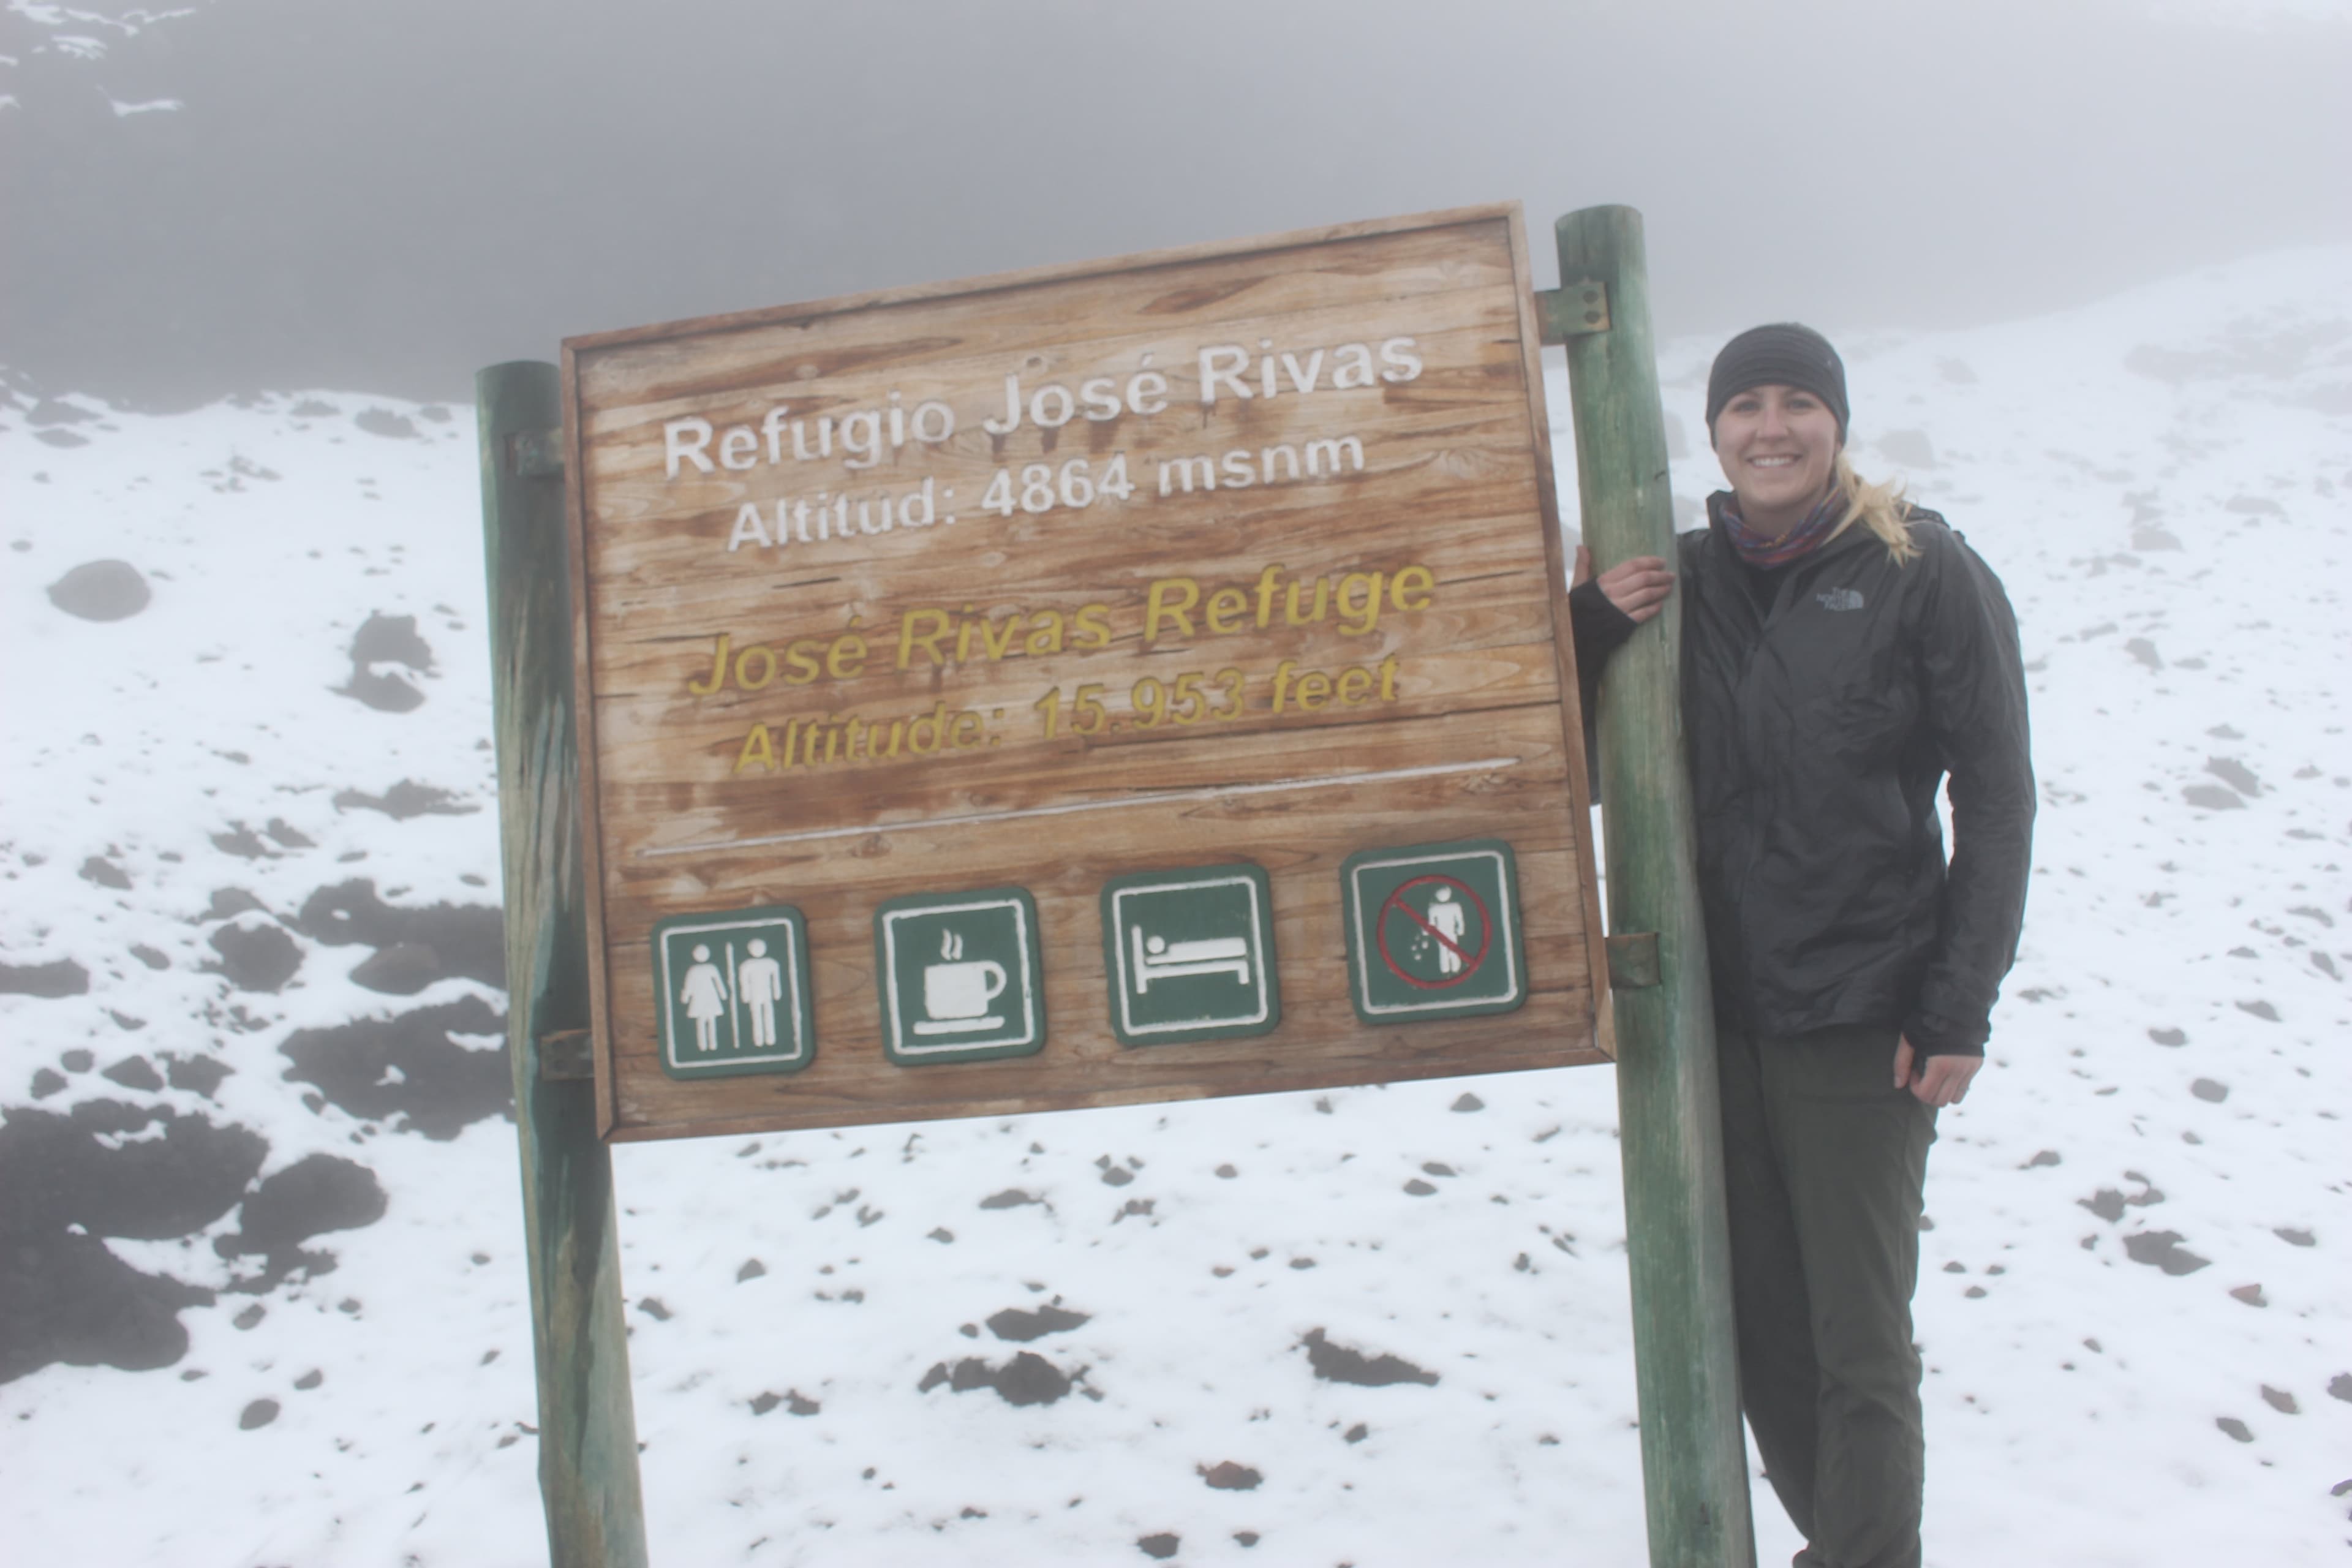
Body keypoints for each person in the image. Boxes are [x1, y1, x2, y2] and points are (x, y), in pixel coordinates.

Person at [1567, 323, 2034, 1568]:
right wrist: (1590, 625)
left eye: (1798, 403)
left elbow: (1996, 798)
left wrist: (1957, 1005)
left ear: (1836, 422)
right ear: (1713, 429)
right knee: (1761, 1334)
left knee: (1858, 1339)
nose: (1772, 426)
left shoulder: (1920, 567)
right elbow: (1570, 758)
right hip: (1713, 1021)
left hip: (1860, 1011)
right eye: (1746, 405)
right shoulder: (1682, 579)